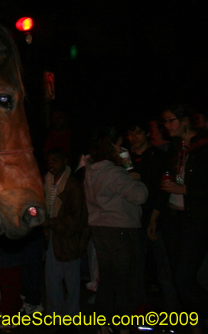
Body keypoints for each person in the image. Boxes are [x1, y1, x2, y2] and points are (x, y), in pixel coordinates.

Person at [84, 128, 148, 334]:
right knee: (123, 280)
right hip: (120, 229)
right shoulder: (113, 172)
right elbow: (139, 196)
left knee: (107, 278)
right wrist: (136, 179)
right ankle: (122, 327)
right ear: (111, 147)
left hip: (100, 229)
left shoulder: (91, 170)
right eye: (119, 145)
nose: (123, 149)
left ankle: (103, 324)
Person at [151, 105, 208, 329]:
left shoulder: (203, 146)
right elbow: (164, 186)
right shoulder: (175, 148)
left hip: (196, 219)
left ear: (184, 120)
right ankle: (195, 324)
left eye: (170, 120)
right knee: (177, 275)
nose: (167, 126)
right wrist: (154, 217)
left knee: (184, 278)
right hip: (173, 219)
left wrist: (183, 190)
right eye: (164, 122)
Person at [124, 119, 178, 311]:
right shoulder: (124, 157)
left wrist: (155, 216)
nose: (134, 138)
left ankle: (175, 313)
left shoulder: (158, 156)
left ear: (146, 133)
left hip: (156, 218)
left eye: (138, 132)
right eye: (130, 134)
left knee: (165, 270)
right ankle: (140, 313)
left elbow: (162, 191)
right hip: (132, 220)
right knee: (135, 270)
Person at [43, 147, 89, 321]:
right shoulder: (47, 181)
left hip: (69, 239)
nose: (51, 164)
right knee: (52, 281)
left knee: (71, 282)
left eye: (55, 160)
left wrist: (49, 223)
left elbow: (77, 219)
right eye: (48, 161)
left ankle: (71, 319)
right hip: (53, 237)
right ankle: (55, 316)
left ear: (65, 161)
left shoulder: (73, 185)